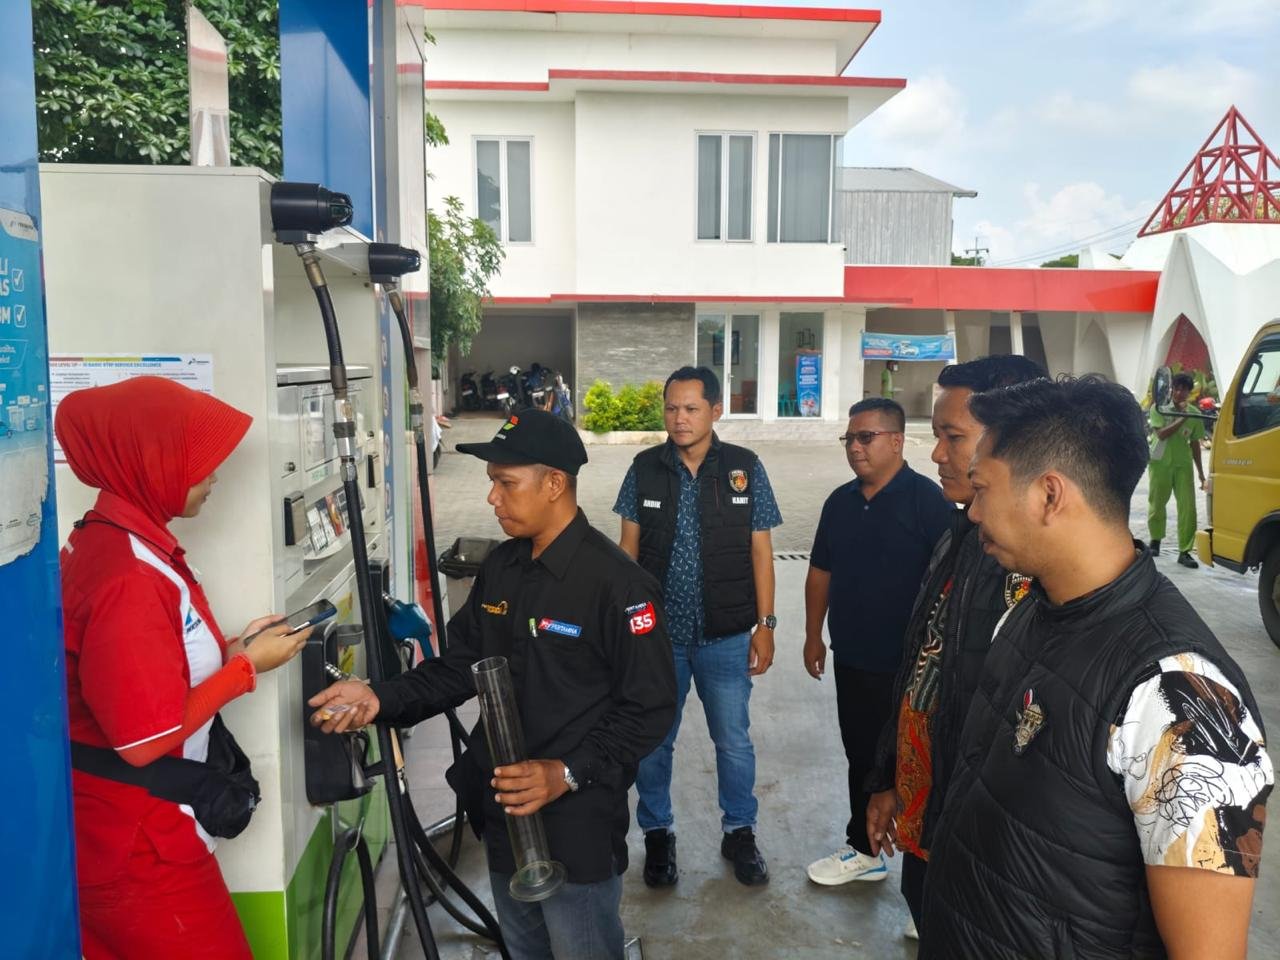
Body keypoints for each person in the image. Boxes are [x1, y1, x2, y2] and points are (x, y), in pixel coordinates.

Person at [921, 377, 1273, 959]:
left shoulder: (1182, 697)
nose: (973, 510)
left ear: (1049, 495)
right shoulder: (1030, 611)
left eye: (982, 488)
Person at [310, 409, 676, 960]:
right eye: (491, 483)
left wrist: (566, 771)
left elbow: (649, 708)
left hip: (575, 823)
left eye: (506, 483)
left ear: (554, 484)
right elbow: (459, 666)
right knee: (523, 950)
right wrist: (378, 697)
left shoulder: (619, 586)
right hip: (504, 813)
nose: (492, 498)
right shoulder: (502, 567)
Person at [56, 376, 310, 960]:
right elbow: (144, 740)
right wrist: (244, 668)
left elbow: (149, 664)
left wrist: (234, 646)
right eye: (199, 465)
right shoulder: (127, 576)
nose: (215, 477)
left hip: (123, 826)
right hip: (135, 842)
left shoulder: (119, 542)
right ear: (148, 464)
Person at [861, 356, 1045, 937]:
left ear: (1012, 440)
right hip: (925, 818)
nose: (937, 454)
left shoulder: (1032, 573)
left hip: (979, 846)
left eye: (953, 437)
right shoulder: (959, 536)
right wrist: (889, 778)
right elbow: (922, 668)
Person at [614, 366, 782, 887]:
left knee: (733, 742)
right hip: (658, 639)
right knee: (653, 742)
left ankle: (740, 832)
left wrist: (766, 625)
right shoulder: (644, 468)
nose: (679, 418)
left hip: (726, 637)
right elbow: (627, 552)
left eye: (691, 408)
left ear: (715, 411)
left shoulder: (744, 468)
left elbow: (761, 552)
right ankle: (657, 834)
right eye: (671, 408)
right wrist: (624, 628)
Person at [802, 397, 952, 894]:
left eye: (866, 437)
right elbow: (819, 572)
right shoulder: (839, 503)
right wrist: (813, 635)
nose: (855, 447)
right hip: (853, 658)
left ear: (897, 440)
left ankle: (925, 878)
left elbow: (951, 588)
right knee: (862, 756)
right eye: (849, 438)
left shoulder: (928, 503)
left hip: (915, 671)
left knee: (916, 765)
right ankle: (865, 851)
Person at [1147, 370, 1206, 568]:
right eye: (1177, 388)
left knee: (1188, 508)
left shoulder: (1195, 413)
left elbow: (1195, 443)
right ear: (1172, 389)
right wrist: (1182, 417)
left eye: (1184, 390)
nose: (1180, 393)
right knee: (1157, 503)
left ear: (1189, 392)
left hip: (1183, 465)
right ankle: (1155, 540)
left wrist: (1201, 473)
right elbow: (1162, 434)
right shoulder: (1159, 408)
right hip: (1160, 463)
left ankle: (1185, 551)